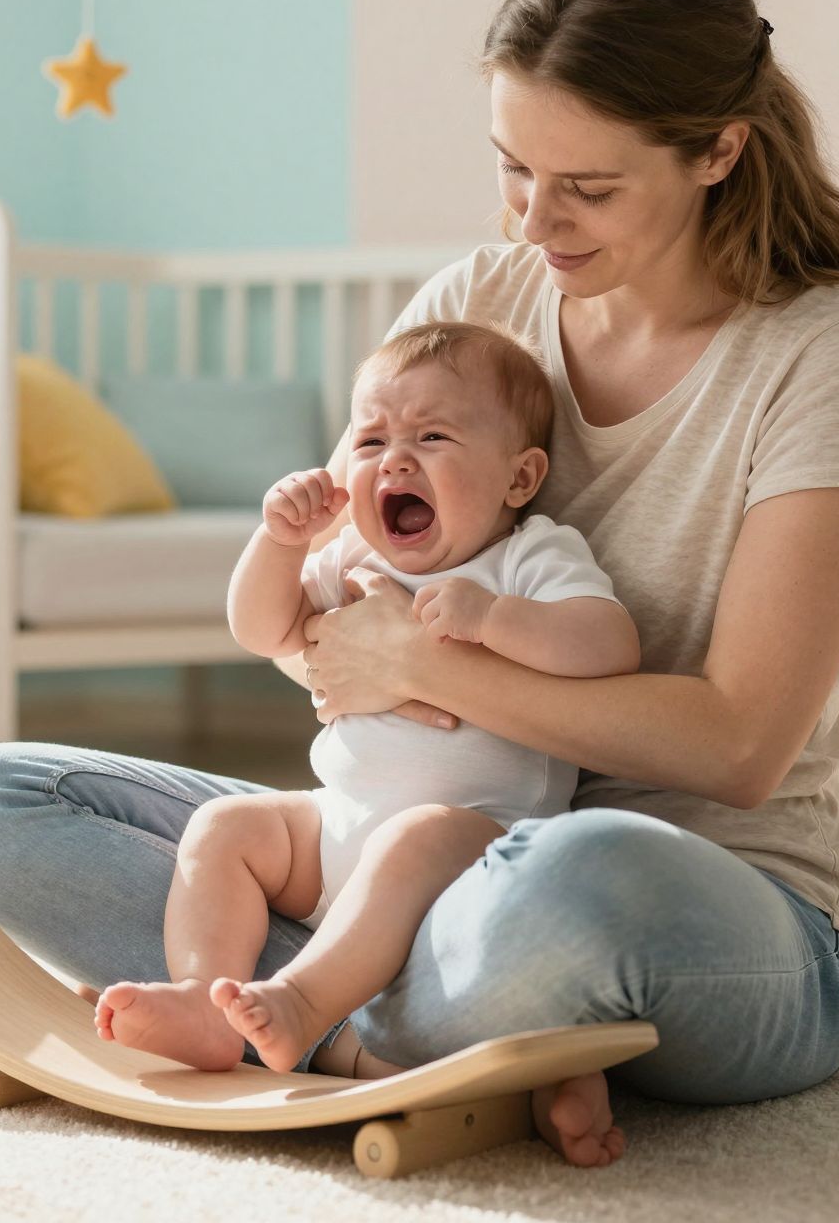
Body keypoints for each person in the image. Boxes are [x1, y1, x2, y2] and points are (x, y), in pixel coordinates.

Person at [0, 0, 839, 1169]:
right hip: (402, 851)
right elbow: (339, 634)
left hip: (696, 902)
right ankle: (341, 1015)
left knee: (577, 872)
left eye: (588, 188)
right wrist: (338, 637)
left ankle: (328, 1014)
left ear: (718, 149)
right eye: (512, 168)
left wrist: (434, 667)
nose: (533, 222)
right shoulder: (476, 307)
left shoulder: (821, 349)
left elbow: (735, 746)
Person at [93, 322, 640, 1076]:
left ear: (519, 478)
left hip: (478, 848)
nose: (396, 460)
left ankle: (303, 1004)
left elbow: (608, 646)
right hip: (334, 836)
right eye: (371, 441)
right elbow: (263, 630)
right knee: (226, 827)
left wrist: (493, 619)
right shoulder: (353, 553)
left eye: (434, 436)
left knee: (412, 838)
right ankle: (202, 1002)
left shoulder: (528, 556)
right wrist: (282, 544)